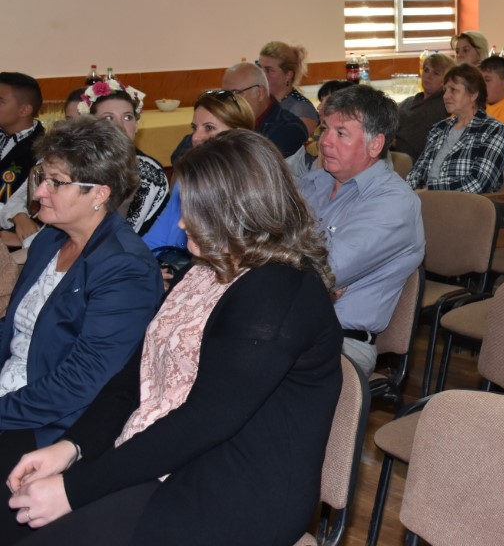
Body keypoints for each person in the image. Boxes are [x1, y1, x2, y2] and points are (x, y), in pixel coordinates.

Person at [5, 130, 343, 545]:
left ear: (237, 210)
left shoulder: (279, 292)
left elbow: (203, 422)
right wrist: (73, 446)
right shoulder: (206, 268)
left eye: (195, 209)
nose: (181, 223)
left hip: (234, 488)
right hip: (167, 453)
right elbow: (134, 376)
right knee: (14, 512)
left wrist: (74, 490)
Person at [0, 116, 162, 535]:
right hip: (15, 395)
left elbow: (83, 382)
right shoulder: (51, 240)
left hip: (52, 426)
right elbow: (14, 334)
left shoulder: (124, 267)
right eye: (42, 177)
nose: (39, 192)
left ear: (99, 194)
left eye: (55, 182)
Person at [299, 85, 425, 377]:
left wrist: (305, 267)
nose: (325, 142)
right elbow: (258, 241)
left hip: (339, 342)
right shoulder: (313, 183)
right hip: (288, 324)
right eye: (325, 129)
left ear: (375, 144)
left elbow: (323, 270)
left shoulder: (394, 203)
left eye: (341, 133)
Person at [142, 90, 256, 254]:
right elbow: (155, 239)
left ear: (237, 134)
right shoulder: (188, 180)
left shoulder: (251, 189)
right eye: (194, 128)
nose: (195, 137)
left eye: (209, 128)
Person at [80, 80, 169, 235]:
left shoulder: (147, 174)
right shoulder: (80, 163)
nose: (120, 126)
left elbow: (122, 232)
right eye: (109, 118)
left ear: (136, 126)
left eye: (127, 117)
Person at [407, 64, 504, 194]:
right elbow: (416, 172)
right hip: (425, 200)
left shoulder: (493, 130)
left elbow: (478, 183)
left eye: (453, 90)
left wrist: (430, 190)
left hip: (464, 204)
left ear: (473, 95)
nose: (446, 96)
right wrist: (410, 191)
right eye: (445, 90)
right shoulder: (439, 128)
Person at [219, 62, 308, 158]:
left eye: (236, 93)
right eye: (225, 94)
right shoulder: (227, 123)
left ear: (260, 93)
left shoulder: (289, 130)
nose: (228, 101)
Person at [0, 74, 45, 249]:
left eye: (0, 101)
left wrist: (16, 215)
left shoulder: (44, 150)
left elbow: (32, 204)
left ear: (24, 110)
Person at [394, 52, 453, 161]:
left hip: (410, 162)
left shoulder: (444, 106)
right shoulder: (409, 101)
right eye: (426, 70)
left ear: (446, 81)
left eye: (436, 73)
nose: (428, 76)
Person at [258, 41, 320, 134]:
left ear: (288, 75)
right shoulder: (264, 102)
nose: (261, 75)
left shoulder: (302, 109)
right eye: (259, 68)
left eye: (269, 70)